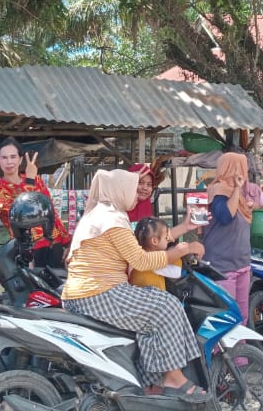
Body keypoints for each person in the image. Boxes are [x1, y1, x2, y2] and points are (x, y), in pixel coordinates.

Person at [62, 170, 207, 398]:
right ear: (119, 190)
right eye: (131, 187)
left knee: (153, 309)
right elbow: (141, 259)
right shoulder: (112, 220)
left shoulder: (98, 215)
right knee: (167, 305)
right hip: (99, 293)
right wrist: (177, 252)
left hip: (84, 293)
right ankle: (173, 378)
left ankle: (150, 382)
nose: (134, 193)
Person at [0, 138, 69, 267]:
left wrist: (67, 243)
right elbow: (21, 213)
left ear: (20, 160)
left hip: (54, 244)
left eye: (13, 157)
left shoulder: (37, 180)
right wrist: (30, 181)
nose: (9, 161)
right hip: (27, 250)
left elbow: (51, 212)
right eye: (4, 157)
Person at [203, 153, 263, 325]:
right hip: (222, 266)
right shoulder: (218, 191)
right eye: (239, 167)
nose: (243, 172)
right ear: (227, 168)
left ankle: (241, 352)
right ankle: (223, 352)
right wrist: (237, 189)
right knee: (226, 316)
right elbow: (225, 216)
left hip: (242, 264)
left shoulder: (240, 195)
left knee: (242, 315)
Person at [128, 216, 192, 291]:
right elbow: (176, 272)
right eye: (166, 237)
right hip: (153, 301)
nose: (170, 239)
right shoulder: (153, 262)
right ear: (155, 241)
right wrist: (177, 251)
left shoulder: (140, 258)